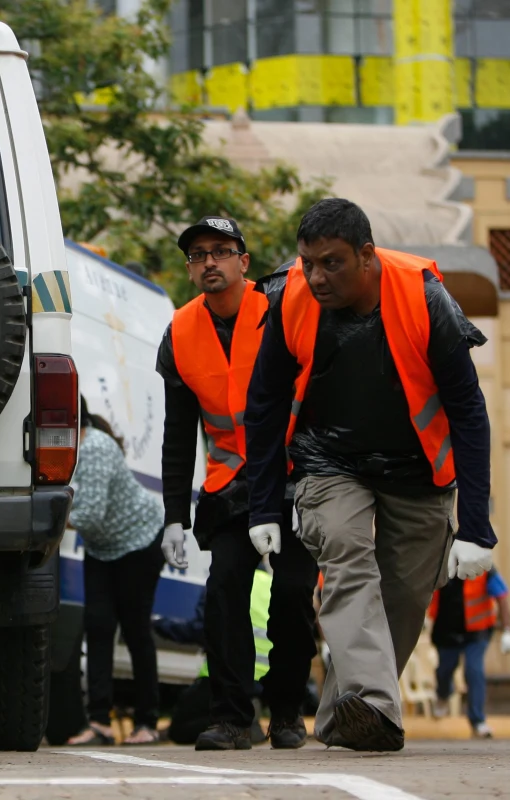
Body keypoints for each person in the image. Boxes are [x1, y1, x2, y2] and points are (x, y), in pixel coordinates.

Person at [243, 198, 496, 752]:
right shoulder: (290, 299)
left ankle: (346, 718)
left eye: (331, 263)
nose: (315, 277)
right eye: (307, 262)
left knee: (404, 598)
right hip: (328, 464)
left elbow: (469, 416)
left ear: (366, 255)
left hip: (418, 471)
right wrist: (263, 505)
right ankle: (377, 708)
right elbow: (263, 407)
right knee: (345, 553)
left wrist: (476, 524)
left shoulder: (426, 300)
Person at [155, 216, 319, 751]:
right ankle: (230, 719)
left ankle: (289, 710)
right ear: (190, 268)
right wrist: (174, 516)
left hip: (292, 477)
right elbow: (179, 435)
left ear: (243, 262)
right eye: (198, 254)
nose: (210, 262)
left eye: (221, 252)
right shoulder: (179, 331)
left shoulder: (279, 311)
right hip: (229, 487)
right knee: (225, 590)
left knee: (293, 593)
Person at [64, 398, 165, 746]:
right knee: (98, 627)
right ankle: (99, 723)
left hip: (139, 539)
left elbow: (88, 515)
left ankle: (147, 723)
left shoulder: (93, 448)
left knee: (136, 630)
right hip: (102, 547)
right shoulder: (72, 448)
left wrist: (46, 520)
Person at [154, 568, 272, 746]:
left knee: (179, 729)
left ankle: (239, 722)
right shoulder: (271, 583)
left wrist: (158, 624)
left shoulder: (223, 576)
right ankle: (247, 714)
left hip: (225, 676)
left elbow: (200, 630)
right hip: (267, 679)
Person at [429, 566, 510, 738]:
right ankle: (443, 694)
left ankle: (478, 722)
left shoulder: (484, 568)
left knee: (474, 671)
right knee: (444, 670)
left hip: (477, 632)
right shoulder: (441, 565)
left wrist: (507, 630)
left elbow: (502, 596)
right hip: (446, 631)